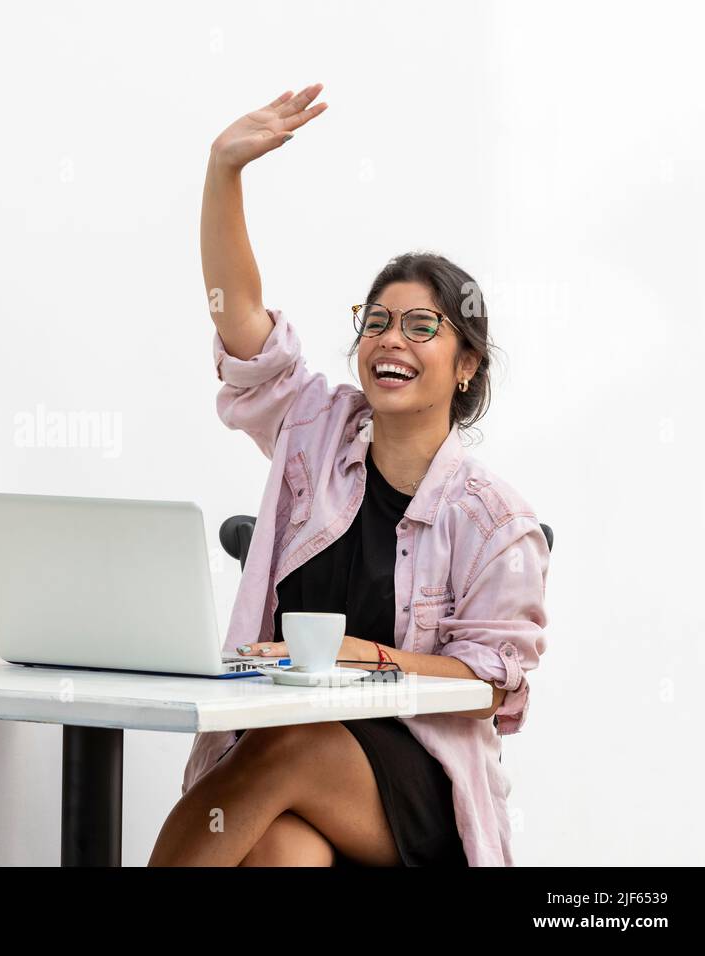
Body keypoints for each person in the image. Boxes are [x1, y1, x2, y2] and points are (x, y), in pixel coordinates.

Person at [147, 83, 550, 867]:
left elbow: (494, 684)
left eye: (421, 325)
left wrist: (357, 657)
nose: (390, 339)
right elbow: (241, 325)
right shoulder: (315, 431)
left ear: (466, 364)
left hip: (419, 784)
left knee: (291, 741)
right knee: (283, 853)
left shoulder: (497, 522)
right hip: (288, 773)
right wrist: (222, 170)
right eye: (376, 322)